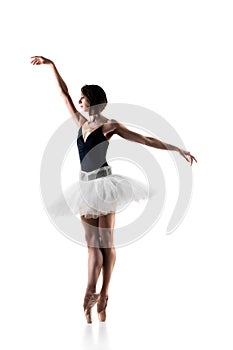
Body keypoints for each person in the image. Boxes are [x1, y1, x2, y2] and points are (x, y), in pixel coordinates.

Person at [31, 56, 197, 323]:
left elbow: (144, 138)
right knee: (91, 247)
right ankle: (89, 293)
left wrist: (177, 149)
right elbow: (63, 94)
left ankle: (104, 295)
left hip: (106, 186)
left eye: (83, 98)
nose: (80, 102)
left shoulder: (110, 126)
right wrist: (51, 65)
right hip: (85, 187)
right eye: (80, 99)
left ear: (93, 100)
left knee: (106, 245)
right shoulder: (80, 123)